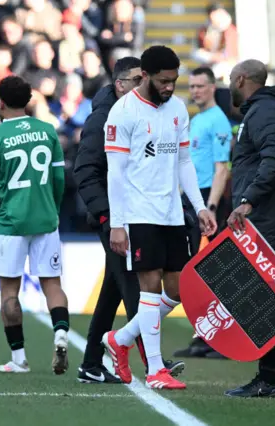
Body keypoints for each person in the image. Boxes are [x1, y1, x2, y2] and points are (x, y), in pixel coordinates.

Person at [101, 45, 217, 390]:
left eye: (174, 81)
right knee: (148, 291)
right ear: (145, 76)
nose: (170, 87)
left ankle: (120, 339)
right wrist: (118, 224)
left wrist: (199, 207)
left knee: (178, 290)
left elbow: (184, 163)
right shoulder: (123, 113)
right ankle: (155, 370)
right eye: (164, 81)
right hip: (139, 213)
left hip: (172, 214)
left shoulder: (178, 108)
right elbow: (116, 173)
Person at [73, 56, 184, 383]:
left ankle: (93, 362)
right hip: (117, 218)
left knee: (113, 290)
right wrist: (109, 218)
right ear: (121, 84)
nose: (144, 85)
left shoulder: (149, 111)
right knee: (138, 286)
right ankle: (154, 363)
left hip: (140, 213)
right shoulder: (104, 119)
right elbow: (86, 172)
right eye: (137, 80)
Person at [0, 75, 70, 375]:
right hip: (46, 220)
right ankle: (60, 333)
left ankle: (19, 359)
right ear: (28, 101)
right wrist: (53, 209)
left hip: (11, 224)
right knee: (52, 285)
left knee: (9, 292)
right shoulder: (47, 131)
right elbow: (59, 178)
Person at [224, 59, 275, 398]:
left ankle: (268, 378)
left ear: (241, 79)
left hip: (268, 220)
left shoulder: (265, 112)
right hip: (265, 219)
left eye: (230, 79)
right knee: (258, 297)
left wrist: (248, 200)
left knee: (265, 298)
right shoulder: (262, 111)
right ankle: (266, 376)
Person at [173, 66, 232, 360]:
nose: (195, 91)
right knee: (197, 273)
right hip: (194, 201)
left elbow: (222, 168)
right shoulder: (198, 119)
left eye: (200, 86)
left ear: (213, 87)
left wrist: (210, 207)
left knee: (217, 272)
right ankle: (204, 337)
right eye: (192, 86)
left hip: (210, 203)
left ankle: (224, 338)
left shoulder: (218, 121)